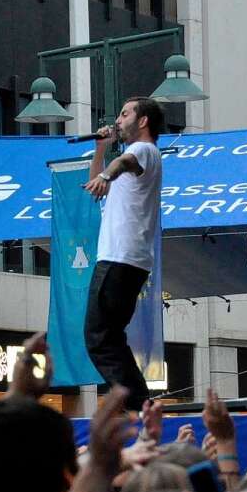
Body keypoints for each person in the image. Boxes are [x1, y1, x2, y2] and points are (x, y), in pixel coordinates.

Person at [82, 97, 166, 411]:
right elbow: (98, 179)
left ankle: (136, 403)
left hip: (121, 257)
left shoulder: (143, 150)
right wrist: (102, 149)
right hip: (126, 258)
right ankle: (137, 402)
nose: (119, 119)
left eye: (125, 113)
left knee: (99, 336)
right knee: (108, 336)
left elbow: (122, 164)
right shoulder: (139, 157)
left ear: (143, 121)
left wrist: (107, 174)